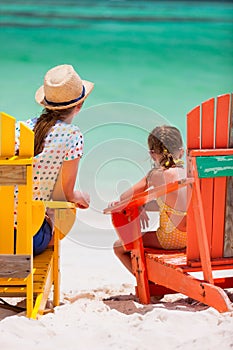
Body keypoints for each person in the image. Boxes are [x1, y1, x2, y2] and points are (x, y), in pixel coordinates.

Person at [14, 64, 94, 255]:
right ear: (79, 105)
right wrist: (82, 197)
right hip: (28, 240)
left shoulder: (18, 129)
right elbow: (68, 194)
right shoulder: (72, 136)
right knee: (56, 209)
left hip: (3, 232)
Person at [112, 125, 187, 273]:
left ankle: (147, 287)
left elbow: (125, 197)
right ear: (182, 151)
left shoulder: (155, 175)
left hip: (172, 240)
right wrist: (144, 206)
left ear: (152, 154)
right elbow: (177, 206)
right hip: (197, 239)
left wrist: (137, 205)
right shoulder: (191, 173)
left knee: (119, 247)